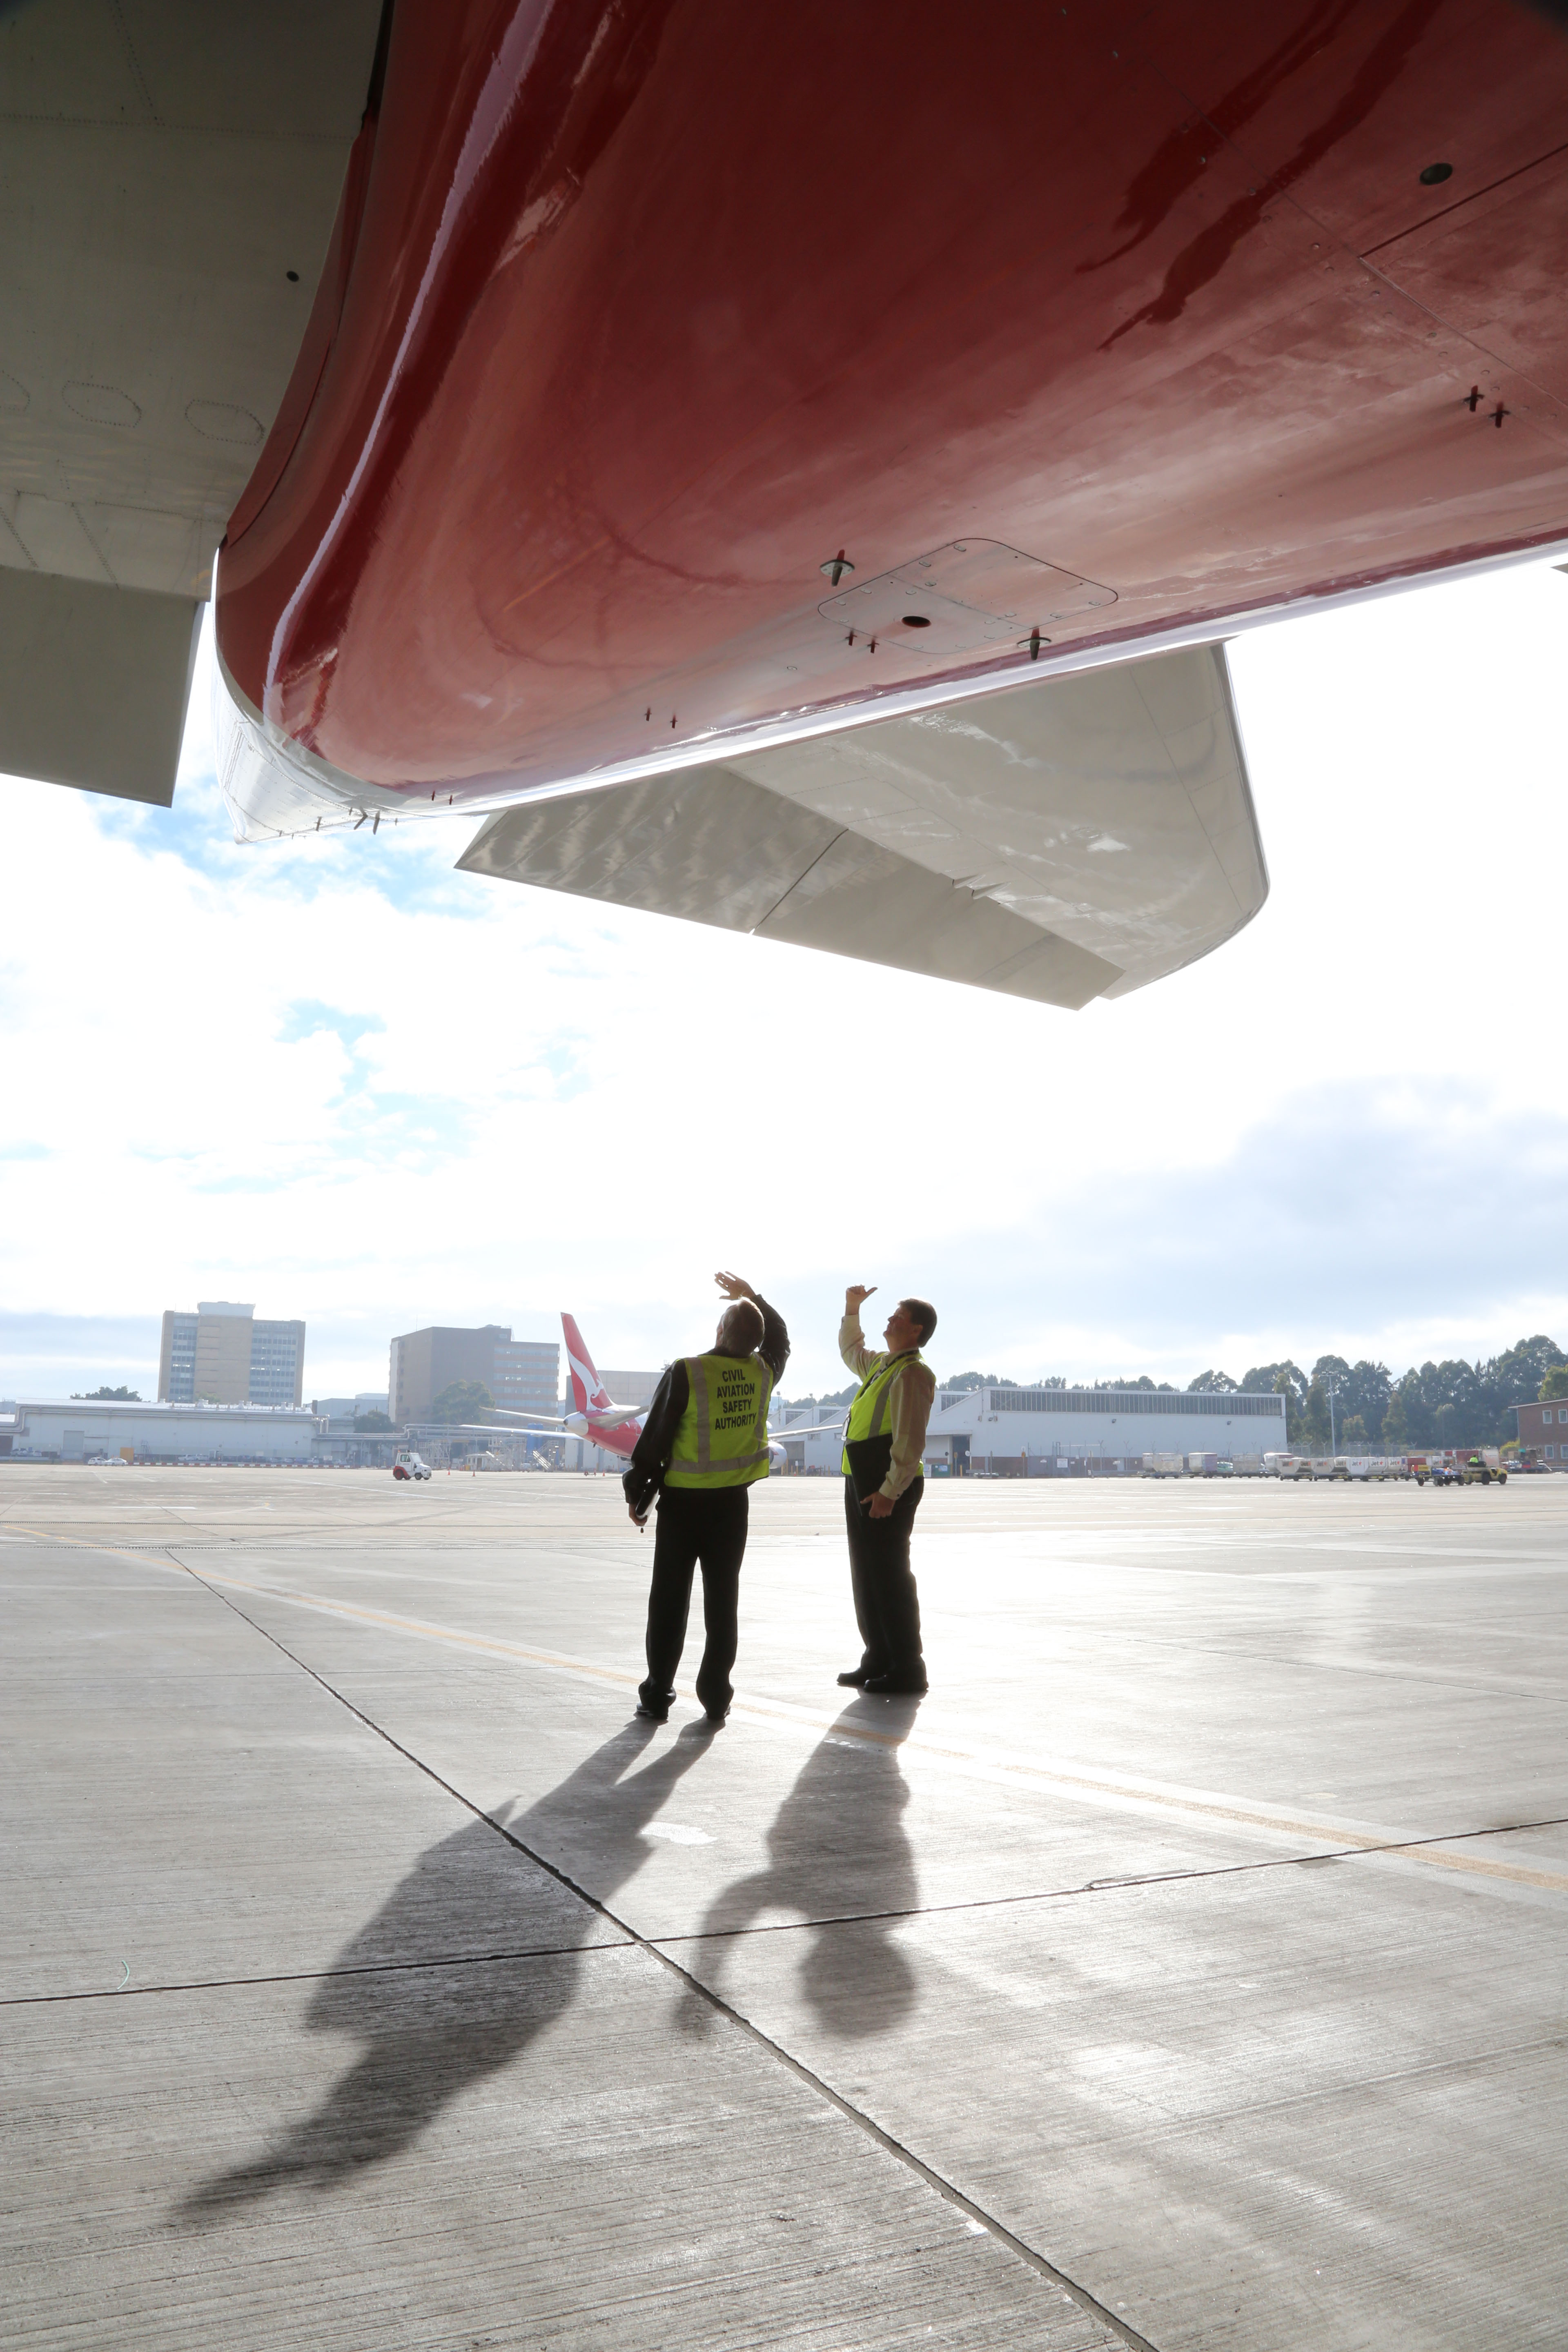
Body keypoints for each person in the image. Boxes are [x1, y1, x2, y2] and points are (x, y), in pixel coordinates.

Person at [623, 1272, 789, 1725]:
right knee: (723, 1600)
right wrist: (753, 1295)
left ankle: (657, 1694)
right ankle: (716, 1694)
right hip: (732, 1507)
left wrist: (638, 1495)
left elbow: (655, 1440)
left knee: (669, 1600)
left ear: (720, 1332)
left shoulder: (687, 1371)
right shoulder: (763, 1371)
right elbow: (781, 1338)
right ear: (755, 1344)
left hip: (683, 1507)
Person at [836, 1283, 937, 1695]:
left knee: (891, 1576)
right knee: (867, 1575)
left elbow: (910, 1442)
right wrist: (851, 1309)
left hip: (886, 1485)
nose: (890, 1320)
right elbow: (851, 1351)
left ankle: (907, 1668)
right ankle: (878, 1655)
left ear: (916, 1330)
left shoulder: (913, 1373)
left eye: (898, 1316)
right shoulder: (883, 1365)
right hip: (863, 1479)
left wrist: (889, 1492)